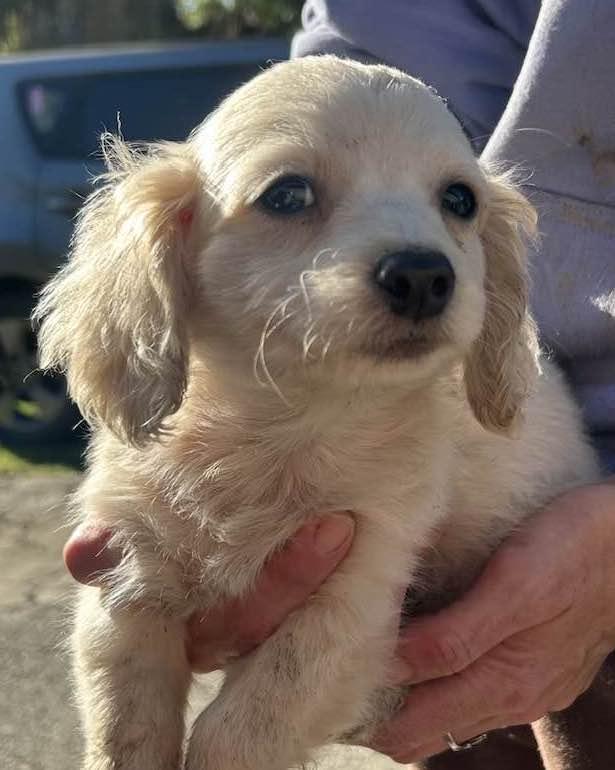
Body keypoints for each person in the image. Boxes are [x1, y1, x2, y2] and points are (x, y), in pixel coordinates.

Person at [64, 0, 615, 765]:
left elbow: (342, 626)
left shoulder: (403, 434)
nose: (420, 261)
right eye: (288, 195)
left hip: (553, 570)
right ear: (175, 240)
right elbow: (125, 617)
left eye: (453, 201)